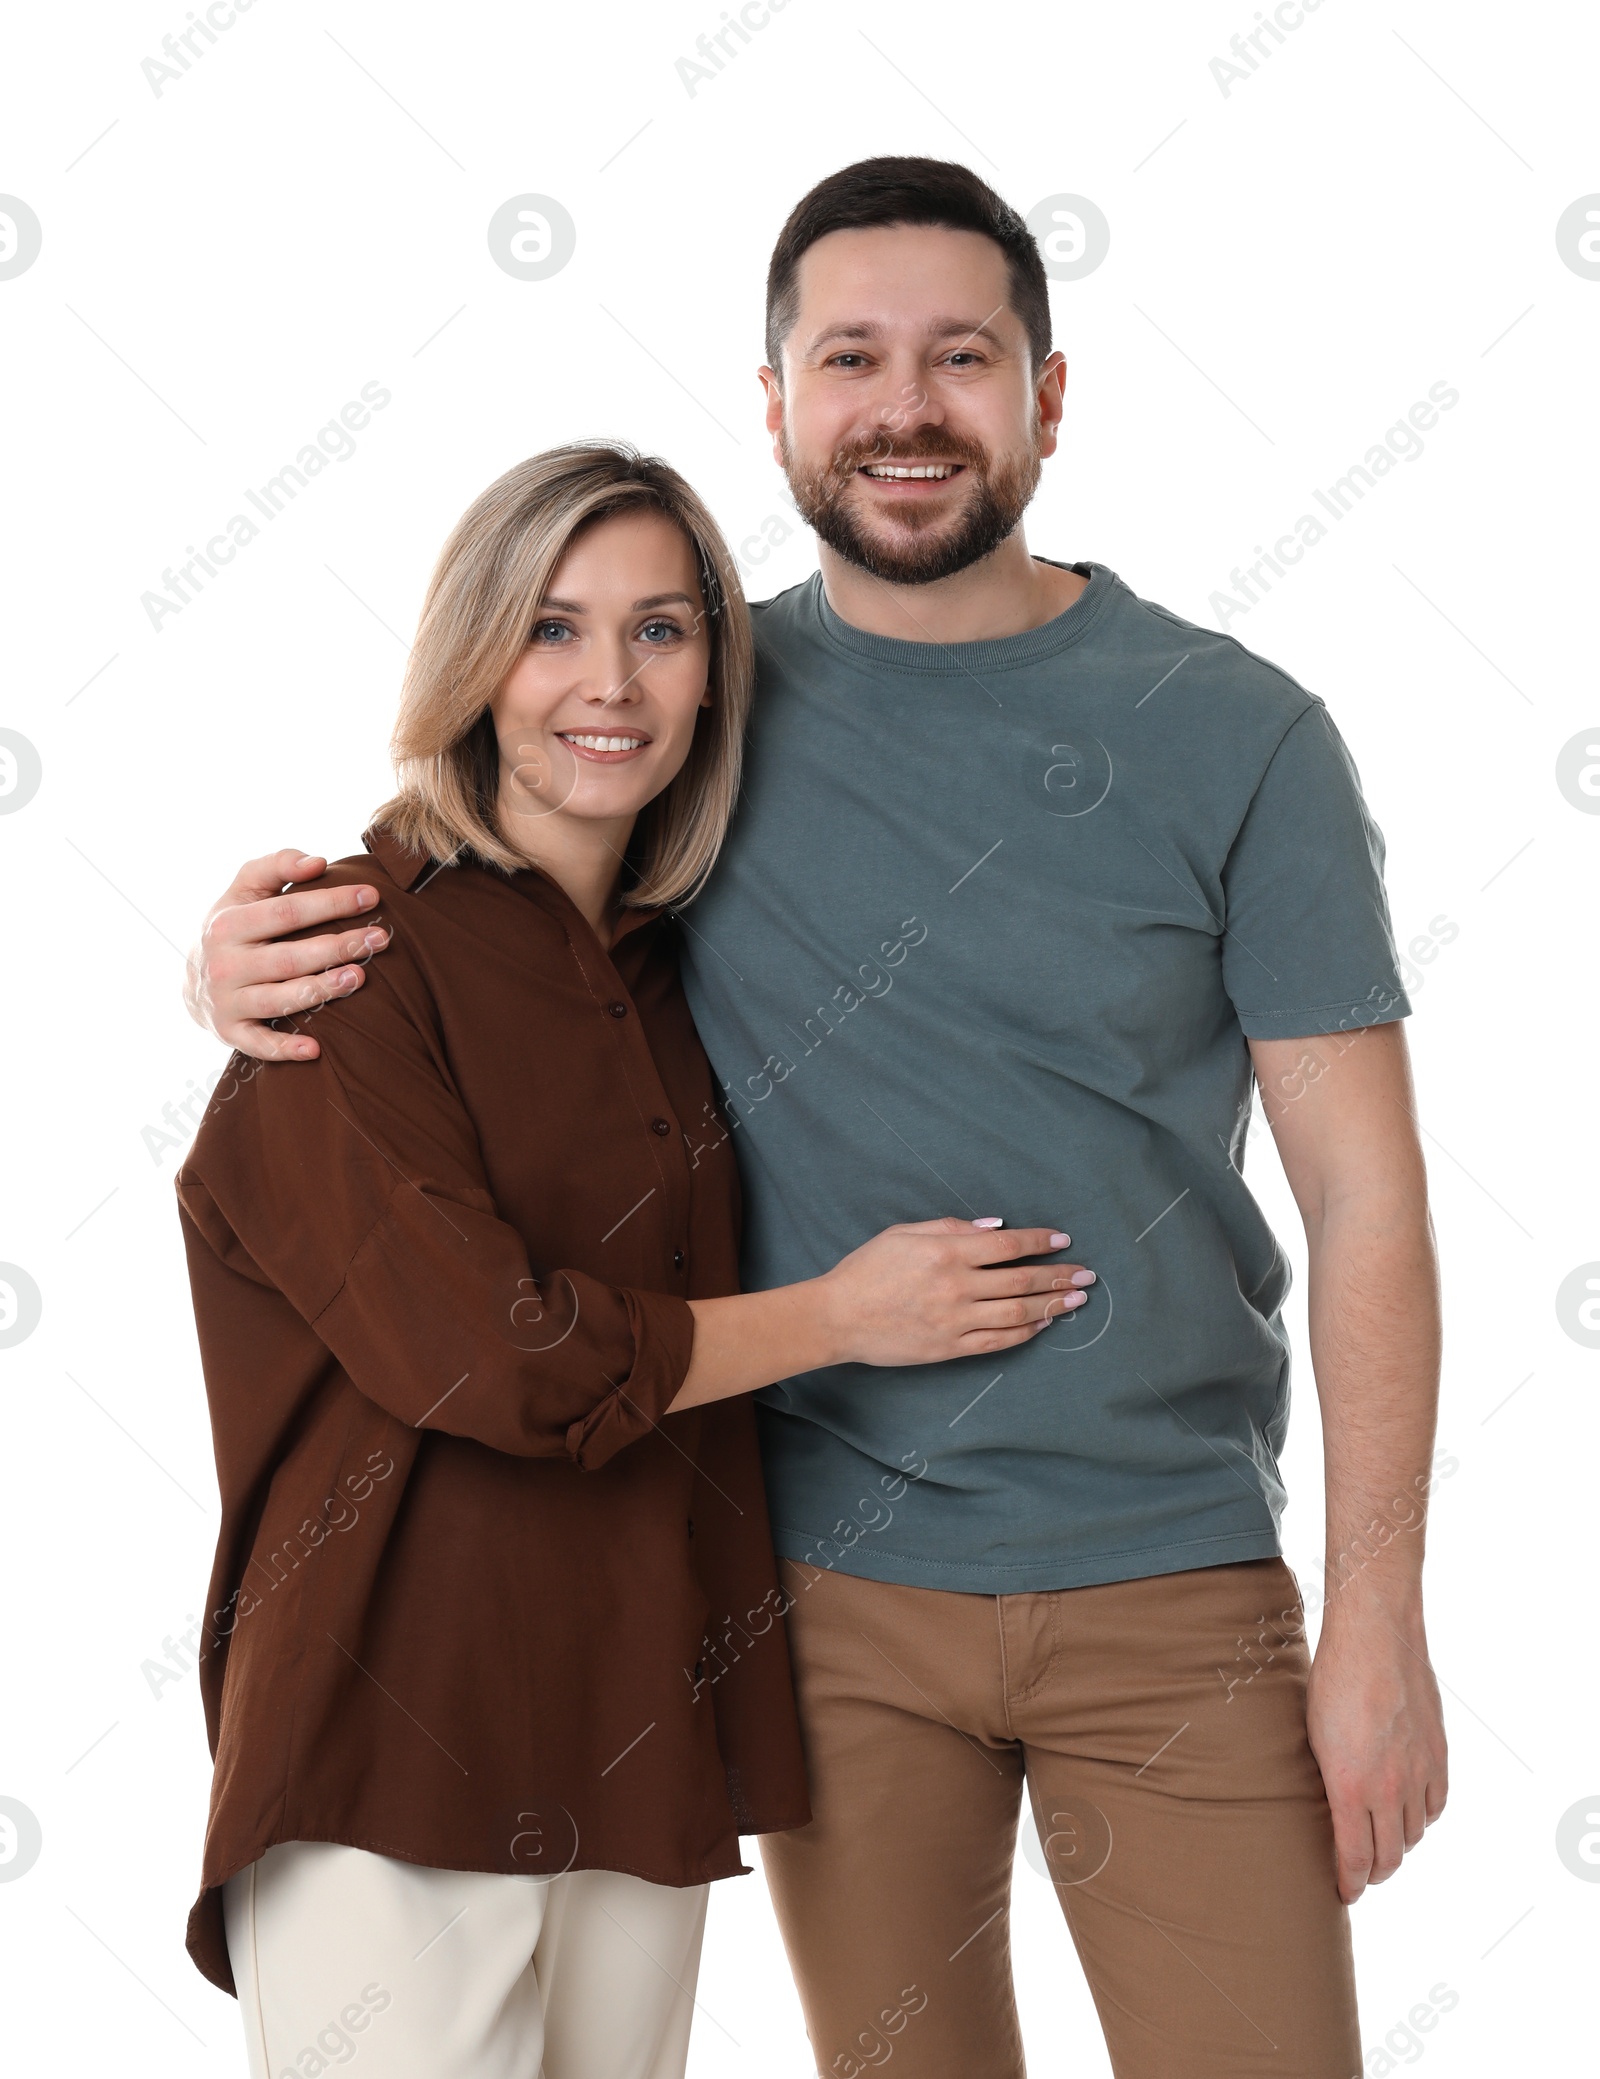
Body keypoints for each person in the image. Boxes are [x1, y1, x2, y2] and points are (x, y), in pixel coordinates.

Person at [184, 159, 1448, 2079]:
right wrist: (223, 964)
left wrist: (1381, 1623)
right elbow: (492, 902)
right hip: (819, 1597)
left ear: (1049, 392)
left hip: (1170, 1579)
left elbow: (1366, 1198)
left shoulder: (1233, 731)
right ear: (775, 404)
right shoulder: (703, 704)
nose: (907, 405)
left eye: (963, 354)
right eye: (850, 356)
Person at [174, 439, 1091, 2079]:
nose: (610, 681)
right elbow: (499, 1354)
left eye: (662, 631)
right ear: (473, 659)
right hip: (394, 1751)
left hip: (634, 1730)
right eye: (552, 626)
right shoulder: (345, 956)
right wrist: (842, 1318)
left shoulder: (678, 971)